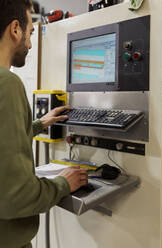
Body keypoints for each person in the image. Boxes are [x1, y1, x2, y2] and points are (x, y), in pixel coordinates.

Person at [0, 0, 88, 247]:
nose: (29, 44)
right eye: (29, 34)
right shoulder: (7, 83)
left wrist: (38, 124)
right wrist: (63, 183)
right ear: (15, 29)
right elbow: (15, 197)